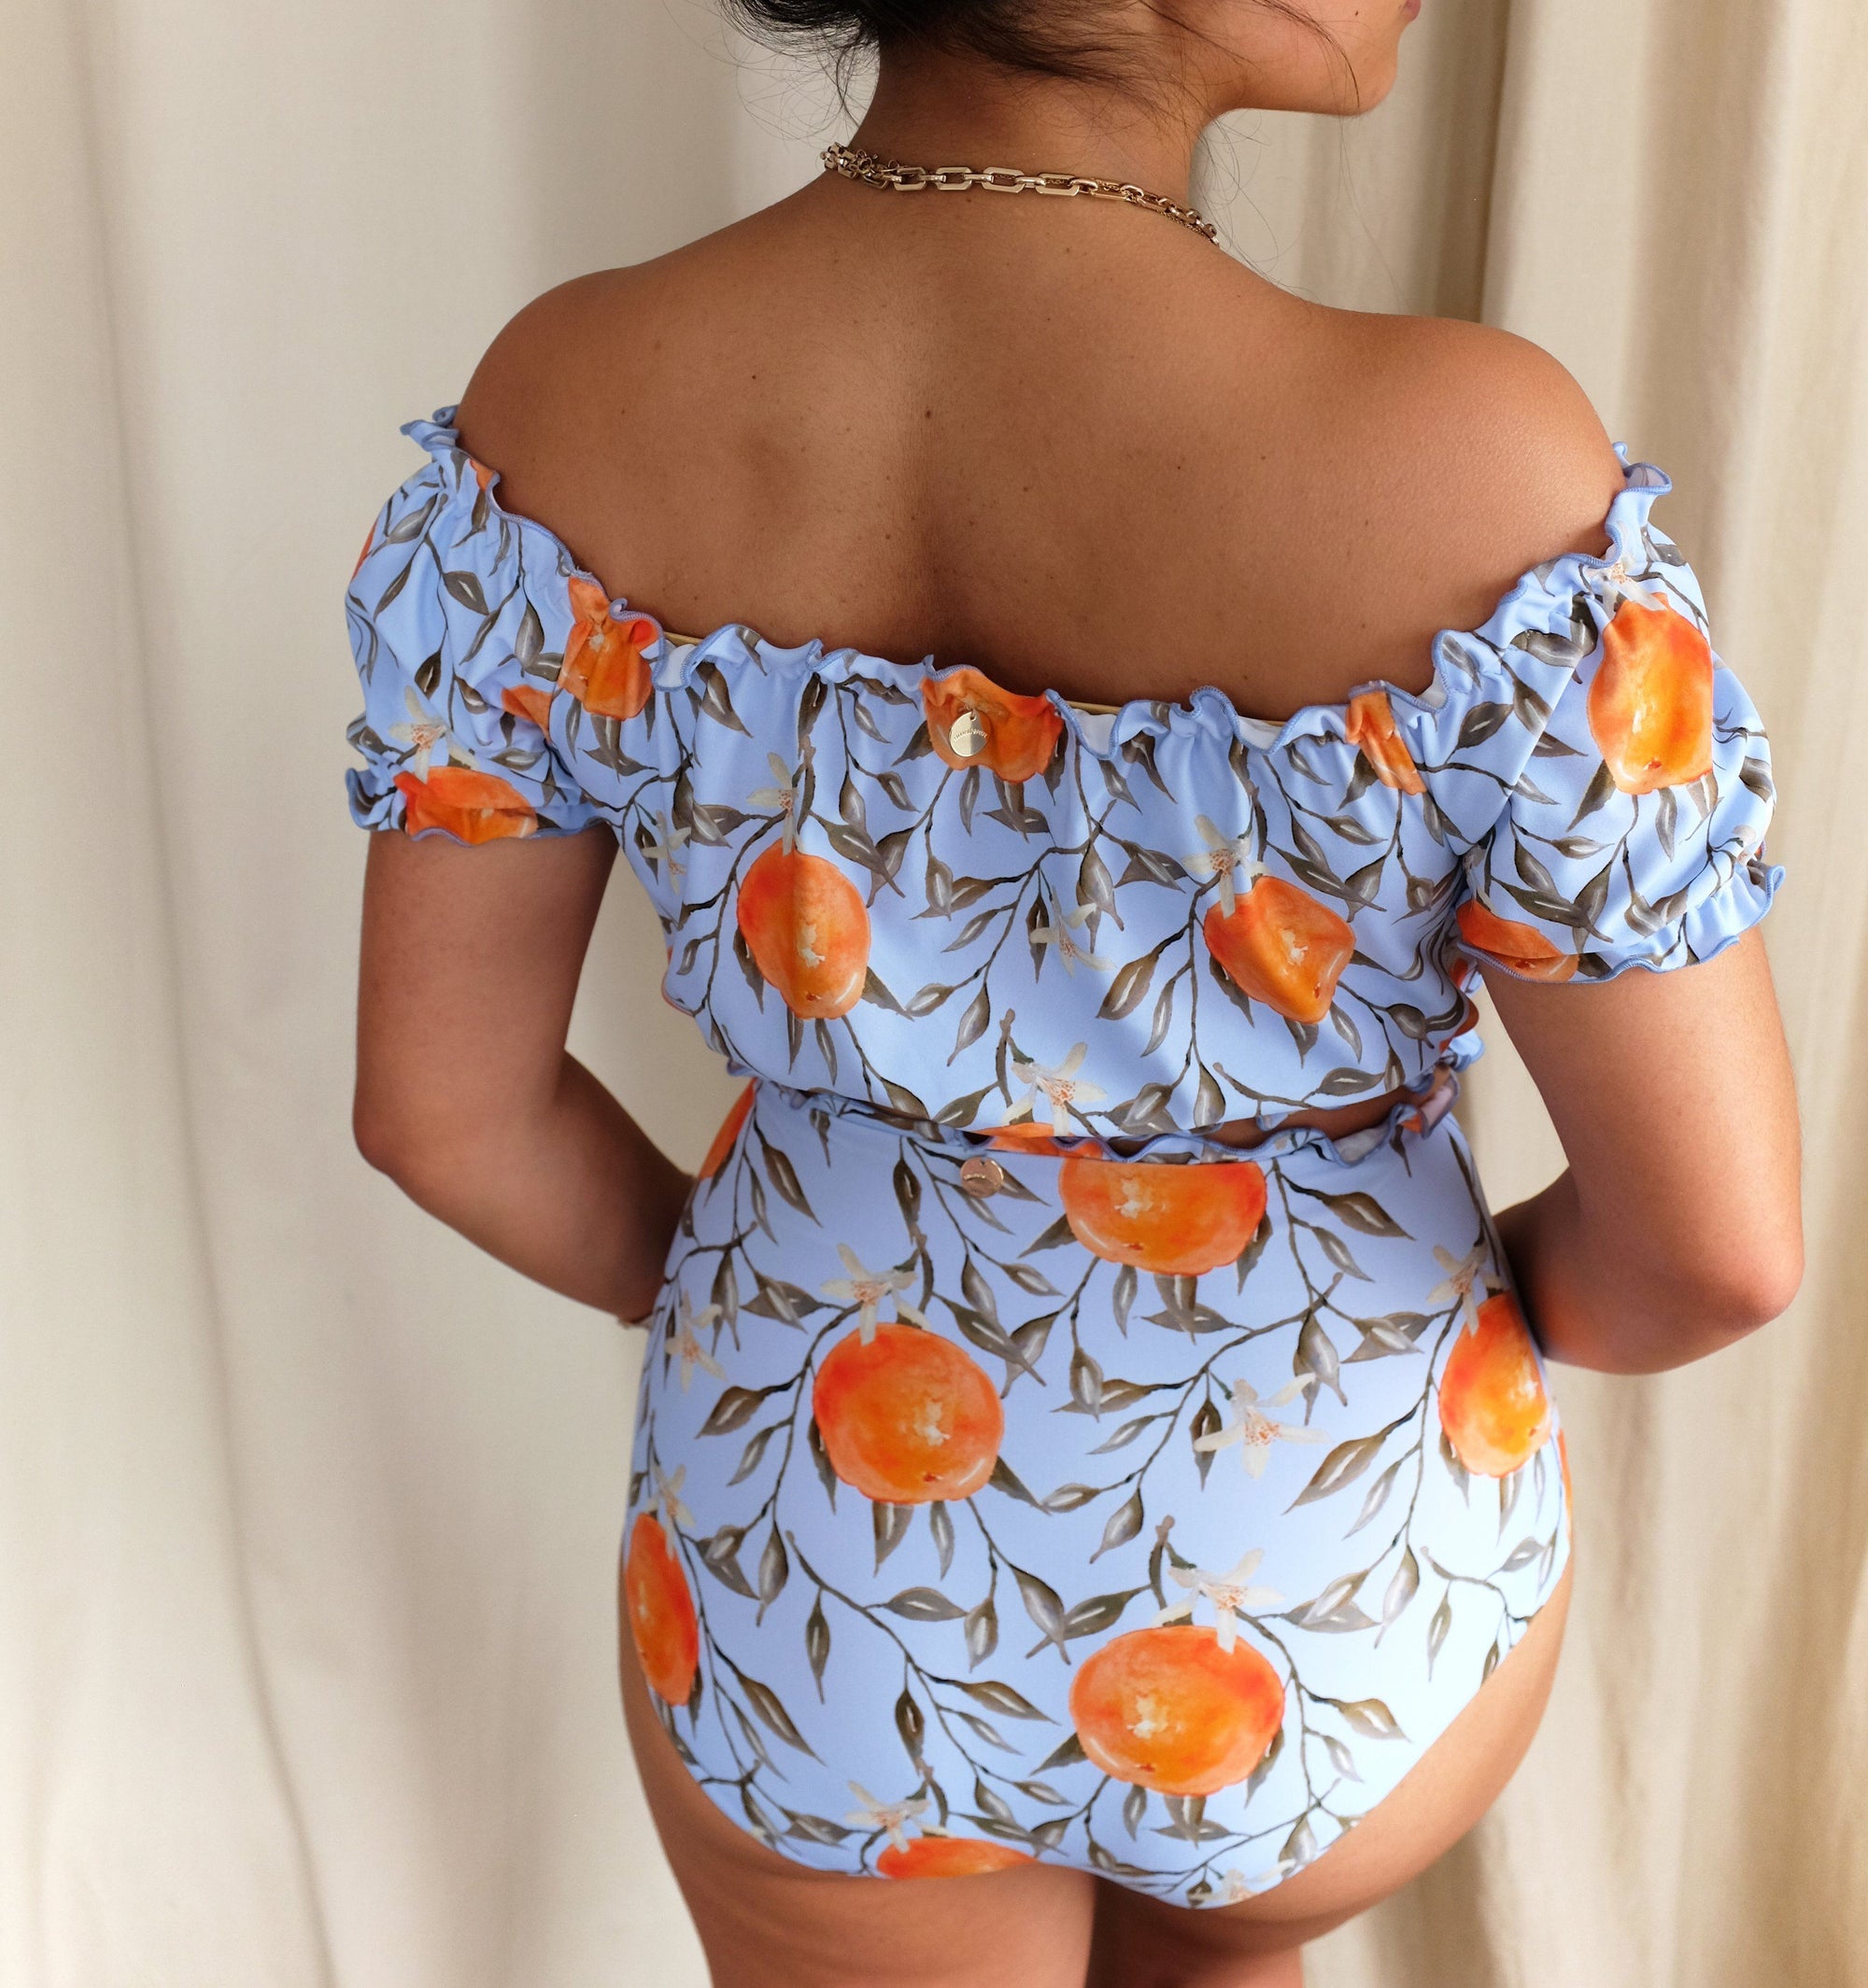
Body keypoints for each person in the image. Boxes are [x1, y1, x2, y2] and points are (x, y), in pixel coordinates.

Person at [344, 2, 1803, 1981]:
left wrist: (752, 1300)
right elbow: (1716, 1253)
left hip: (813, 1566)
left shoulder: (567, 404)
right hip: (1321, 1577)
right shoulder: (1475, 465)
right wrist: (1421, 1326)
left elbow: (444, 1117)